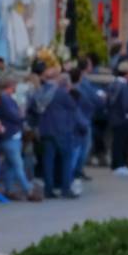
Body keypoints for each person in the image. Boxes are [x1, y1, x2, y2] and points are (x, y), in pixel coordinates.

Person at [29, 67, 79, 199]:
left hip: (45, 130)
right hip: (62, 130)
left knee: (48, 160)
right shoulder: (61, 93)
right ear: (57, 77)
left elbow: (32, 108)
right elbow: (73, 106)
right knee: (66, 159)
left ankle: (48, 189)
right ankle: (66, 188)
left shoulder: (39, 92)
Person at [0, 81, 32, 201]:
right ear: (9, 87)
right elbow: (14, 116)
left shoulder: (5, 99)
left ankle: (9, 189)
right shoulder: (5, 99)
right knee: (17, 164)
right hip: (10, 135)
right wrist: (21, 116)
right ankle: (28, 189)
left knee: (10, 165)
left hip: (8, 135)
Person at [107, 62, 128, 175]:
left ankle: (115, 164)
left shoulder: (114, 83)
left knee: (117, 142)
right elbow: (127, 104)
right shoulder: (124, 86)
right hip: (123, 118)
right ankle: (119, 165)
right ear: (127, 73)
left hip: (114, 117)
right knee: (121, 143)